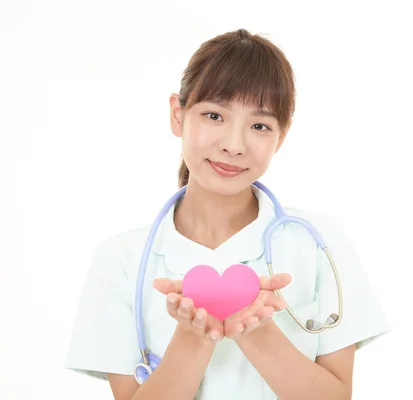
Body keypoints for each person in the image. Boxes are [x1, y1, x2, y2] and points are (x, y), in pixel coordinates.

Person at [65, 28, 389, 400]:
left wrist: (256, 331)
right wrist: (193, 337)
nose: (234, 145)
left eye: (259, 126)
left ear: (281, 137)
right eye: (214, 116)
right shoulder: (121, 260)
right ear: (178, 114)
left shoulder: (318, 243)